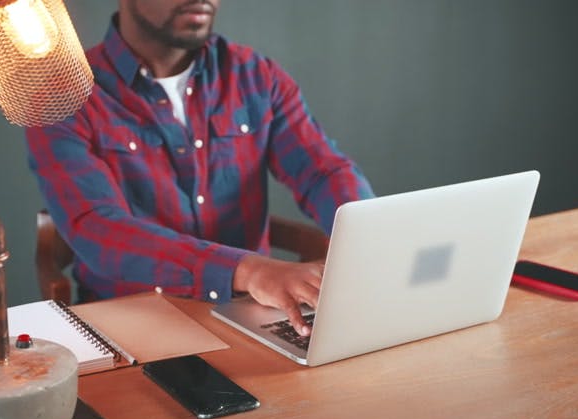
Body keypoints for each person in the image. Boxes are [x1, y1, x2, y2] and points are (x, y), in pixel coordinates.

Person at [25, 0, 374, 337]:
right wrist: (248, 270)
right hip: (130, 323)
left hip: (252, 316)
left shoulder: (255, 76)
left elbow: (322, 171)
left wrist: (369, 235)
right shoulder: (64, 94)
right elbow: (98, 229)